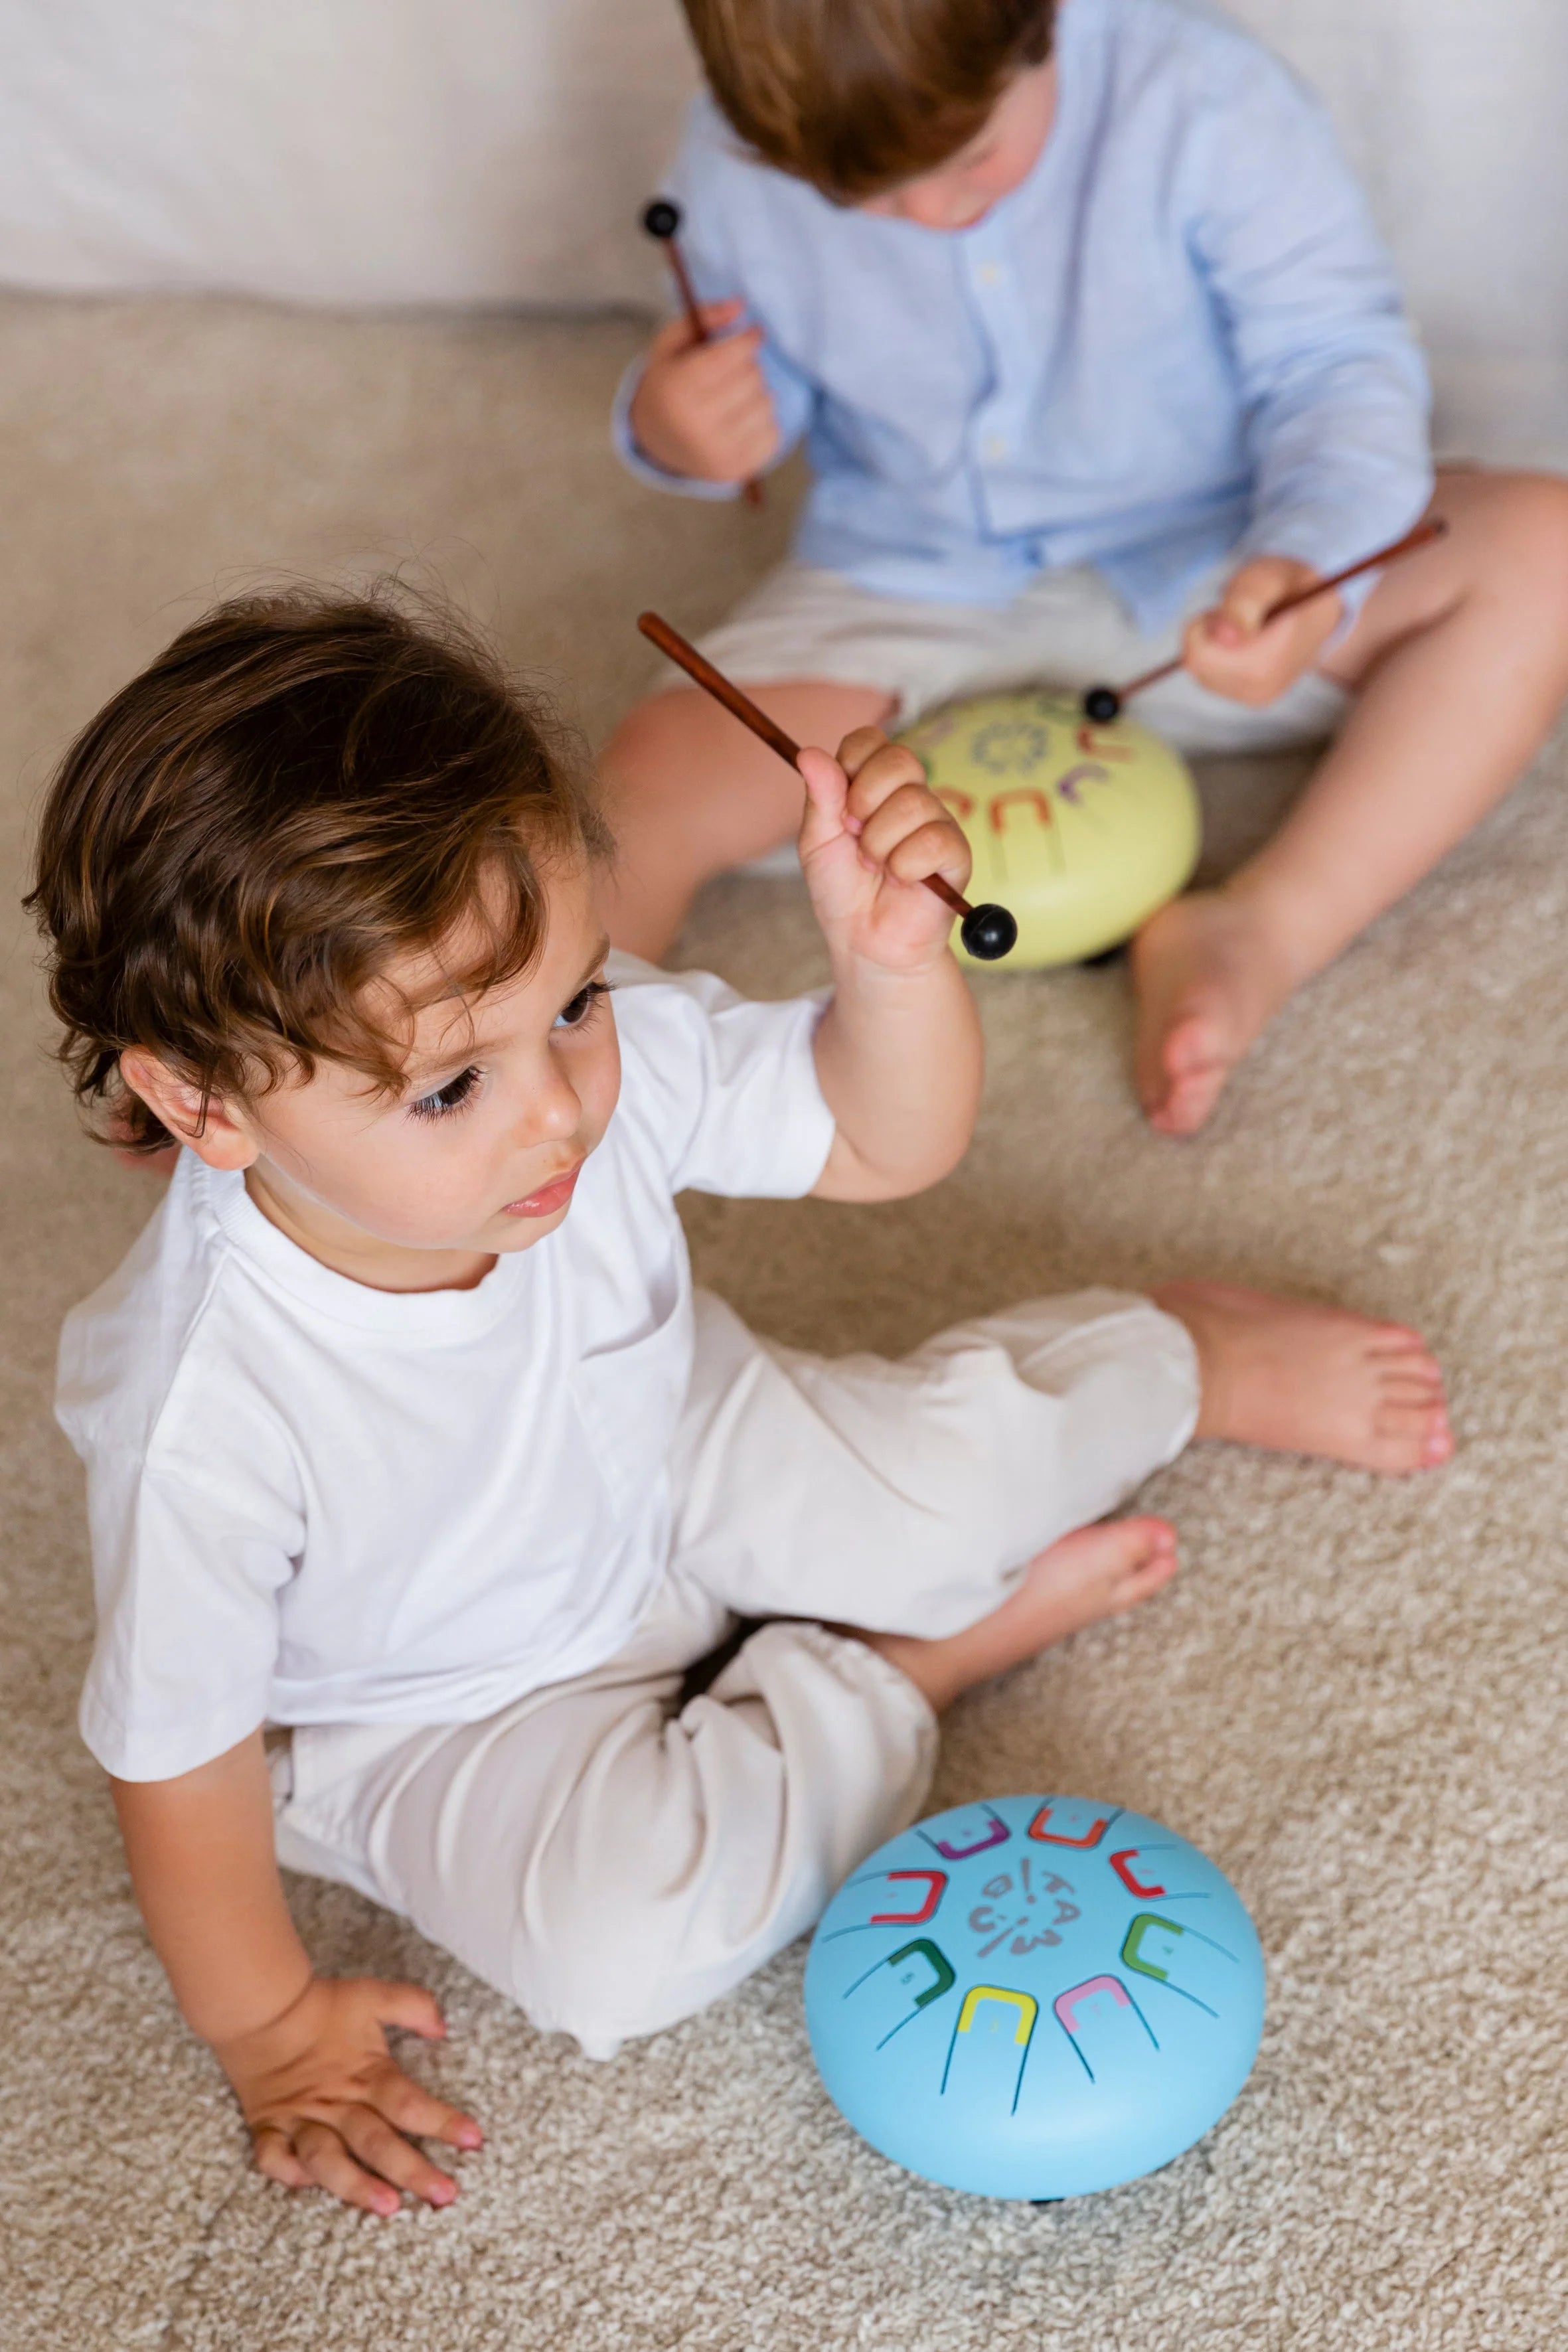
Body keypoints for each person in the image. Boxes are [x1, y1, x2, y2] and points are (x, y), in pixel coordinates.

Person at [29, 590, 1450, 2217]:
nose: (559, 1106)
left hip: (678, 1440)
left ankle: (1171, 1351)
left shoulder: (577, 1053)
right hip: (432, 1700)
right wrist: (271, 2028)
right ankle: (911, 1667)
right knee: (622, 1947)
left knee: (957, 1498)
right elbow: (182, 1757)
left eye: (570, 1000)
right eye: (449, 1086)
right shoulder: (198, 1410)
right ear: (200, 1099)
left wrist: (886, 965)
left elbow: (872, 1142)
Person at [603, 0, 1568, 1134]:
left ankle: (1261, 927)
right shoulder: (734, 147)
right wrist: (678, 432)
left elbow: (1333, 367)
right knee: (649, 780)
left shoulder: (1205, 97)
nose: (924, 215)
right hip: (910, 571)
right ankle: (574, 1052)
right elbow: (757, 398)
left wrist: (1309, 567)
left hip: (1212, 559)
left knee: (1540, 550)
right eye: (856, 197)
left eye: (967, 161)